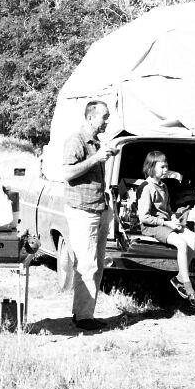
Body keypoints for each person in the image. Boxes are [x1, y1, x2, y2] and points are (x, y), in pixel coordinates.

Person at [54, 100, 118, 332]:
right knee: (87, 264)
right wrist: (96, 158)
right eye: (104, 116)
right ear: (91, 117)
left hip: (97, 209)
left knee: (97, 264)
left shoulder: (95, 142)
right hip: (83, 211)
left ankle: (86, 313)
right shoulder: (76, 140)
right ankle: (82, 317)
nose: (107, 121)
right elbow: (67, 172)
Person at [135, 151, 195, 307]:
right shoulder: (146, 187)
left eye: (166, 166)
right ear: (151, 167)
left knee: (193, 238)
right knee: (181, 243)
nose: (166, 170)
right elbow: (144, 217)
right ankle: (188, 287)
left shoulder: (164, 186)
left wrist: (173, 218)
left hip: (166, 223)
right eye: (162, 167)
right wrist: (167, 223)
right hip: (152, 226)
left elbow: (168, 209)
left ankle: (179, 278)